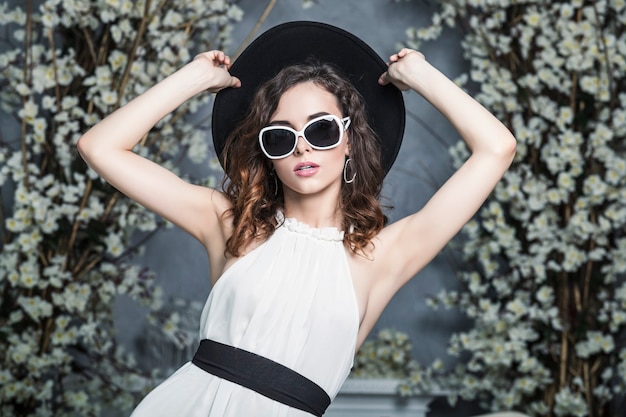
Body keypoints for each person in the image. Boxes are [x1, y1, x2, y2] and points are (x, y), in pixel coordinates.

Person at [78, 21, 517, 417]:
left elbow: (497, 148)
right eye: (282, 135)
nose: (302, 148)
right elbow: (100, 147)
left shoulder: (382, 255)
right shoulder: (232, 222)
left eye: (321, 129)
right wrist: (192, 78)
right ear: (268, 156)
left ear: (349, 142)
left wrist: (420, 76)